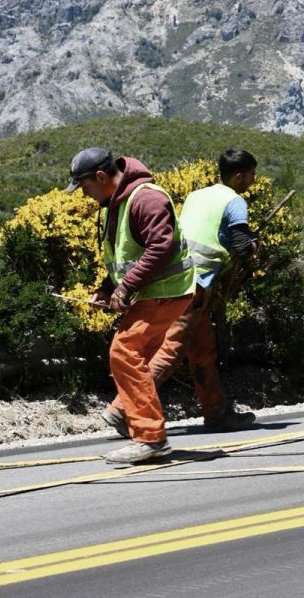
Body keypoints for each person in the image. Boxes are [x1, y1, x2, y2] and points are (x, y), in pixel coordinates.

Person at [65, 147, 195, 464]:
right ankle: (130, 416)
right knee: (135, 355)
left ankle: (149, 437)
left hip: (166, 290)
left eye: (84, 187)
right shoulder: (119, 201)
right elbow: (125, 257)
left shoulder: (146, 198)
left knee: (123, 352)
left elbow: (160, 247)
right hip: (155, 291)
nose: (84, 195)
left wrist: (126, 287)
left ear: (100, 177)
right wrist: (107, 288)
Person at [145, 148, 261, 430]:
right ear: (238, 175)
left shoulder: (197, 195)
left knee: (203, 351)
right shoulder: (235, 201)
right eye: (251, 175)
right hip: (193, 283)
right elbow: (242, 247)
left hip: (175, 279)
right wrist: (254, 247)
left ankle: (217, 412)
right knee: (171, 349)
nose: (252, 181)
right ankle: (125, 408)